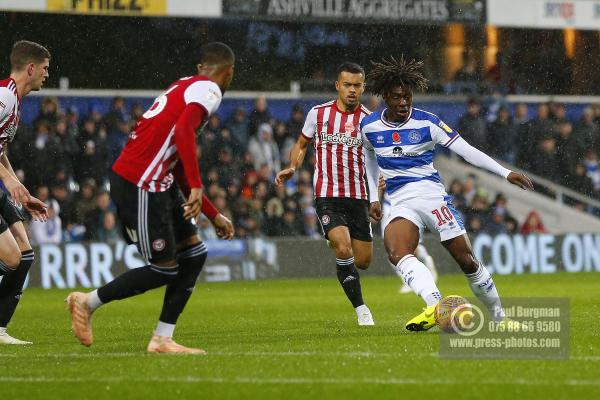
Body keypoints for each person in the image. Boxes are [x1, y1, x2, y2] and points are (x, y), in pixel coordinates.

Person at [66, 42, 236, 354]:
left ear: (201, 66)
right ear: (229, 73)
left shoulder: (184, 86)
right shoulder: (210, 90)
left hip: (158, 180)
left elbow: (179, 162)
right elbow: (185, 133)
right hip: (141, 181)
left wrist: (213, 214)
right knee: (164, 268)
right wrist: (198, 187)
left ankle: (162, 339)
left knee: (194, 253)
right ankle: (87, 302)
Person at [361, 56, 533, 331]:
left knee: (467, 260)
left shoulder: (429, 123)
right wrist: (373, 197)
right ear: (385, 98)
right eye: (397, 97)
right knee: (396, 251)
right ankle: (436, 306)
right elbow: (369, 160)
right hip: (400, 201)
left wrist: (504, 173)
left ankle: (501, 319)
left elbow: (467, 151)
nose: (404, 102)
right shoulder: (369, 127)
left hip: (432, 198)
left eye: (407, 97)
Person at [275, 62, 378, 326]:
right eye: (347, 85)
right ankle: (362, 310)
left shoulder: (369, 120)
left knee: (363, 261)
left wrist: (379, 189)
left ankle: (336, 238)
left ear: (363, 87)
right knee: (343, 250)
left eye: (357, 85)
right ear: (337, 86)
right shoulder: (318, 113)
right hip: (327, 196)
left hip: (358, 197)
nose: (352, 90)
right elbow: (301, 144)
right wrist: (292, 166)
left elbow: (378, 160)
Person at [0, 41, 51, 344]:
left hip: (2, 183)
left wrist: (19, 185)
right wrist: (10, 183)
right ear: (30, 68)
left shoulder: (15, 101)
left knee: (25, 253)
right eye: (44, 68)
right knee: (10, 256)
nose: (47, 74)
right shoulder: (5, 97)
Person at [378, 176, 437, 294]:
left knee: (409, 246)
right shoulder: (381, 160)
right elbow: (379, 184)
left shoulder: (407, 162)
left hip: (407, 203)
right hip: (388, 205)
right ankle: (408, 280)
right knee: (391, 248)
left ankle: (425, 264)